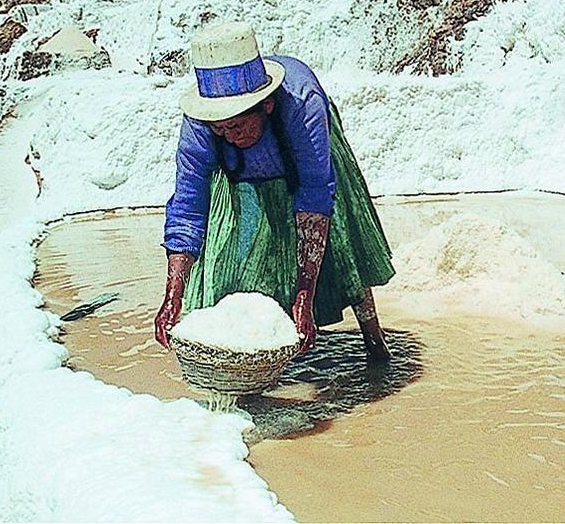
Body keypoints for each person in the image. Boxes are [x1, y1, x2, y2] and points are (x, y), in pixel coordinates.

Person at [154, 20, 394, 360]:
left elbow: (314, 195)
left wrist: (304, 295)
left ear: (266, 105)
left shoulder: (301, 104)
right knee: (234, 257)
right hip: (241, 173)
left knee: (341, 248)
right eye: (219, 129)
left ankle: (374, 342)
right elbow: (188, 205)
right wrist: (173, 293)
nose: (229, 135)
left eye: (236, 125)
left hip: (308, 163)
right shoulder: (201, 121)